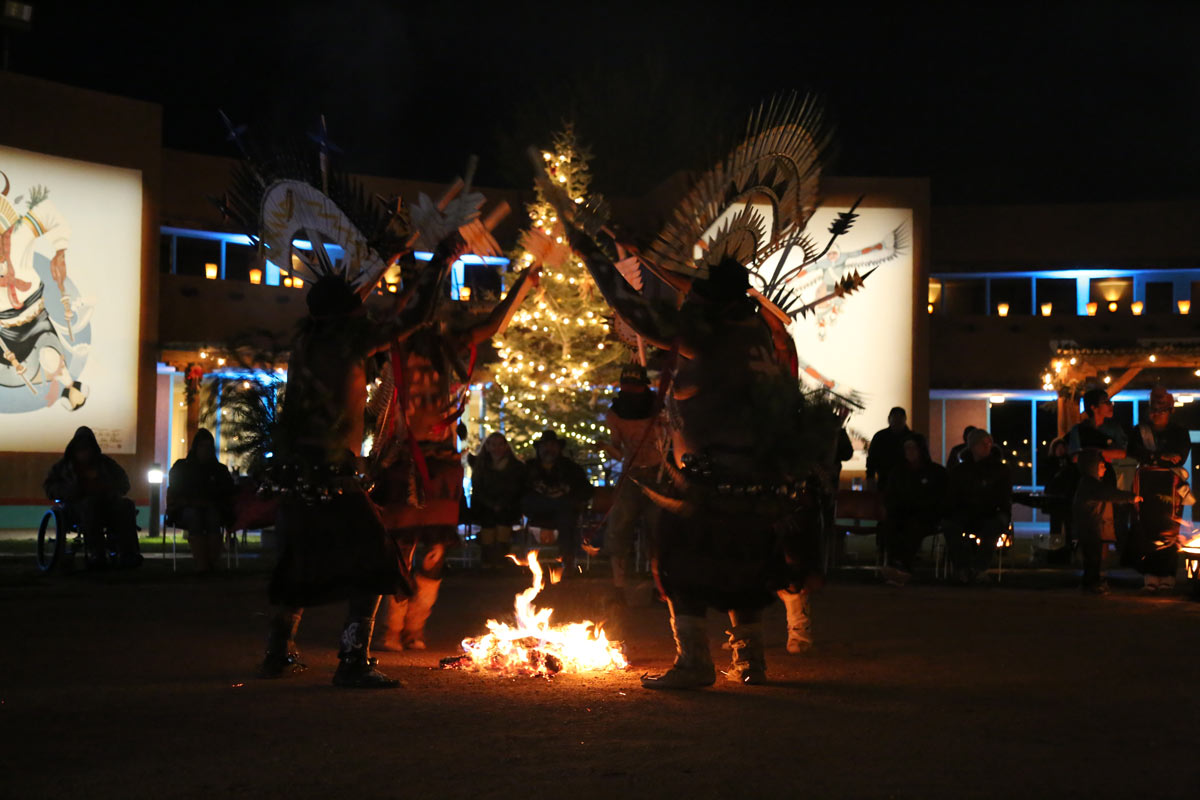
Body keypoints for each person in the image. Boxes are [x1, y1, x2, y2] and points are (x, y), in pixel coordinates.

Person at [370, 259, 539, 651]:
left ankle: (414, 629)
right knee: (400, 548)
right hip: (402, 460)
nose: (430, 320)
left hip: (442, 462)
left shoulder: (448, 347)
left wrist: (523, 285)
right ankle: (392, 630)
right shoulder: (393, 343)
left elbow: (494, 324)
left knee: (434, 551)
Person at [600, 363, 664, 600]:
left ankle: (661, 587)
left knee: (658, 531)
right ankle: (618, 587)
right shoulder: (615, 414)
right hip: (632, 475)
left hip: (658, 474)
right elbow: (618, 451)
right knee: (618, 528)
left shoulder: (660, 408)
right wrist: (607, 447)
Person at [43, 426, 141, 569]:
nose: (85, 453)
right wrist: (72, 491)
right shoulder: (63, 467)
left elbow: (124, 482)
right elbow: (50, 487)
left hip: (107, 503)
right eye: (81, 449)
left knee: (126, 505)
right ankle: (97, 553)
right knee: (90, 505)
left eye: (87, 449)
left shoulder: (106, 464)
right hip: (76, 506)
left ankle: (129, 553)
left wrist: (109, 488)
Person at [1128, 386, 1192, 592]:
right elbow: (1134, 451)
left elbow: (1179, 457)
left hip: (1170, 485)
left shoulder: (1180, 432)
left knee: (1169, 528)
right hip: (1145, 483)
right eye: (1153, 409)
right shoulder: (1139, 431)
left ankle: (1167, 574)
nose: (1155, 414)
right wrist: (1159, 457)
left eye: (1161, 410)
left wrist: (1156, 458)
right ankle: (1149, 574)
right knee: (1145, 526)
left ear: (1170, 410)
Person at [943, 428, 1011, 584]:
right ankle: (962, 567)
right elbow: (953, 495)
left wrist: (1000, 511)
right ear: (973, 446)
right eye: (983, 443)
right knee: (949, 525)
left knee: (993, 527)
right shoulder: (960, 471)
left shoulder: (1000, 470)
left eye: (989, 443)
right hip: (966, 512)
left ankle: (979, 568)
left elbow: (1003, 497)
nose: (987, 446)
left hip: (991, 513)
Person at [522, 430, 594, 576]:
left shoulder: (571, 469)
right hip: (537, 511)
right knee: (562, 507)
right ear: (539, 449)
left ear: (559, 448)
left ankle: (566, 560)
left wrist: (567, 495)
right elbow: (520, 491)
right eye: (545, 446)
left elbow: (586, 490)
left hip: (564, 514)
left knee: (566, 512)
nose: (549, 449)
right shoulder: (529, 468)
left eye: (552, 445)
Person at [880, 433, 947, 584]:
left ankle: (903, 566)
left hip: (927, 515)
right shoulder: (897, 472)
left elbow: (940, 497)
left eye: (913, 448)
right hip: (901, 513)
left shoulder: (936, 472)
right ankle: (894, 563)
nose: (910, 452)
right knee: (891, 525)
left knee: (913, 526)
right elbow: (890, 495)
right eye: (907, 448)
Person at [166, 428, 235, 573]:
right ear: (196, 447)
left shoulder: (219, 470)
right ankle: (203, 563)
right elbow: (176, 489)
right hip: (186, 508)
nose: (206, 450)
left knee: (213, 517)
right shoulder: (182, 467)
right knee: (195, 516)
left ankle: (211, 562)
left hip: (212, 507)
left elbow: (227, 491)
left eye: (209, 447)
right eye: (202, 446)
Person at [1073, 449, 1141, 594]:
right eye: (1101, 466)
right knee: (1093, 558)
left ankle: (1089, 582)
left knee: (1093, 557)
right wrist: (1131, 497)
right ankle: (1092, 584)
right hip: (1091, 527)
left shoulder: (1090, 483)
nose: (1104, 468)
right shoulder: (1091, 484)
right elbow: (1110, 494)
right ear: (1092, 467)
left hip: (1091, 527)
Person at [469, 432, 527, 568]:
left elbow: (517, 488)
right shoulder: (480, 467)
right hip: (484, 505)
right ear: (487, 447)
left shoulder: (516, 467)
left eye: (501, 444)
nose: (497, 448)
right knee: (488, 520)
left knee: (503, 518)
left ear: (506, 446)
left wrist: (502, 503)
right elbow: (478, 489)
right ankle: (487, 558)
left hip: (509, 505)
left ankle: (501, 557)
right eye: (493, 445)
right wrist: (490, 503)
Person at [1042, 437, 1079, 566]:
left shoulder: (1070, 464)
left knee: (1069, 526)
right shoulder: (1051, 463)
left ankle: (1069, 552)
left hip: (1067, 498)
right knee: (1055, 526)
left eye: (1063, 448)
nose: (1061, 450)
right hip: (1055, 498)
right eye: (1059, 448)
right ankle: (1055, 552)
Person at [866, 407, 911, 491]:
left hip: (907, 480)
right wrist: (870, 477)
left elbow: (871, 459)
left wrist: (870, 477)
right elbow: (872, 459)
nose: (897, 421)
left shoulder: (880, 436)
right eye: (895, 418)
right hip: (886, 480)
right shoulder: (880, 437)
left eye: (899, 418)